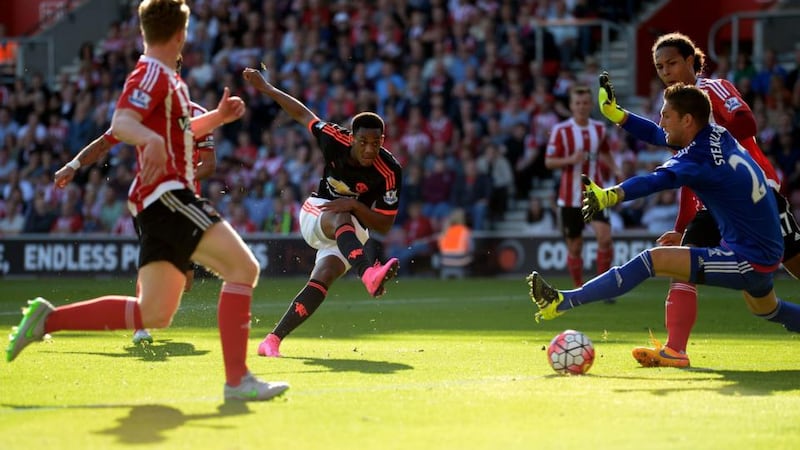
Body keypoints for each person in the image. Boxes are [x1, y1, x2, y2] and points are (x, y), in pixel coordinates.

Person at [6, 0, 288, 402]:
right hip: (168, 194)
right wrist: (149, 138)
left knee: (154, 312)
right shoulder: (152, 73)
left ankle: (47, 320)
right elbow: (122, 123)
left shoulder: (167, 80)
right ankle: (237, 380)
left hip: (156, 201)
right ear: (180, 35)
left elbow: (186, 130)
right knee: (243, 268)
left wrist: (218, 119)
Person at [528, 83, 800, 351]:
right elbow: (658, 135)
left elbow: (655, 180)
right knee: (767, 310)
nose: (661, 121)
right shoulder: (716, 133)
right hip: (764, 246)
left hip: (750, 258)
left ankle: (564, 302)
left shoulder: (697, 160)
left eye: (666, 115)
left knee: (652, 259)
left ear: (688, 120)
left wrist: (611, 195)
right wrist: (618, 115)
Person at [597, 32, 800, 368]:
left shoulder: (713, 89)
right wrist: (619, 115)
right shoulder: (679, 113)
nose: (666, 71)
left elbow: (747, 121)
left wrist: (716, 147)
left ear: (692, 61)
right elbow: (664, 144)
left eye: (673, 63)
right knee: (683, 267)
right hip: (711, 207)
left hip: (755, 196)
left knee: (793, 265)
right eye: (660, 67)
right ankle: (675, 350)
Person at [242, 67, 402, 358]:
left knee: (323, 276)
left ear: (383, 141)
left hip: (352, 230)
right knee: (341, 216)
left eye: (376, 144)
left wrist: (354, 205)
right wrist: (267, 88)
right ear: (352, 138)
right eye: (363, 142)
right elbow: (302, 114)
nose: (369, 149)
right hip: (318, 212)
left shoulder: (390, 171)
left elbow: (387, 225)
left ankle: (272, 340)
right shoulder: (333, 138)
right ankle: (367, 274)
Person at [54, 99, 216, 346]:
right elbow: (103, 144)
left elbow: (209, 164)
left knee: (186, 281)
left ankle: (151, 304)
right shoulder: (139, 114)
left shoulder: (198, 115)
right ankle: (140, 325)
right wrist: (73, 165)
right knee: (151, 266)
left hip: (184, 203)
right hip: (149, 199)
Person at [545, 85, 618, 294]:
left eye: (585, 103)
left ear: (591, 105)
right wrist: (570, 159)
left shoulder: (599, 129)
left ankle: (604, 288)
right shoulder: (561, 131)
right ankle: (579, 289)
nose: (581, 107)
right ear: (571, 105)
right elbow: (549, 161)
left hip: (595, 194)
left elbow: (604, 152)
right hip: (569, 198)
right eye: (577, 103)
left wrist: (616, 168)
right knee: (575, 246)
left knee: (604, 237)